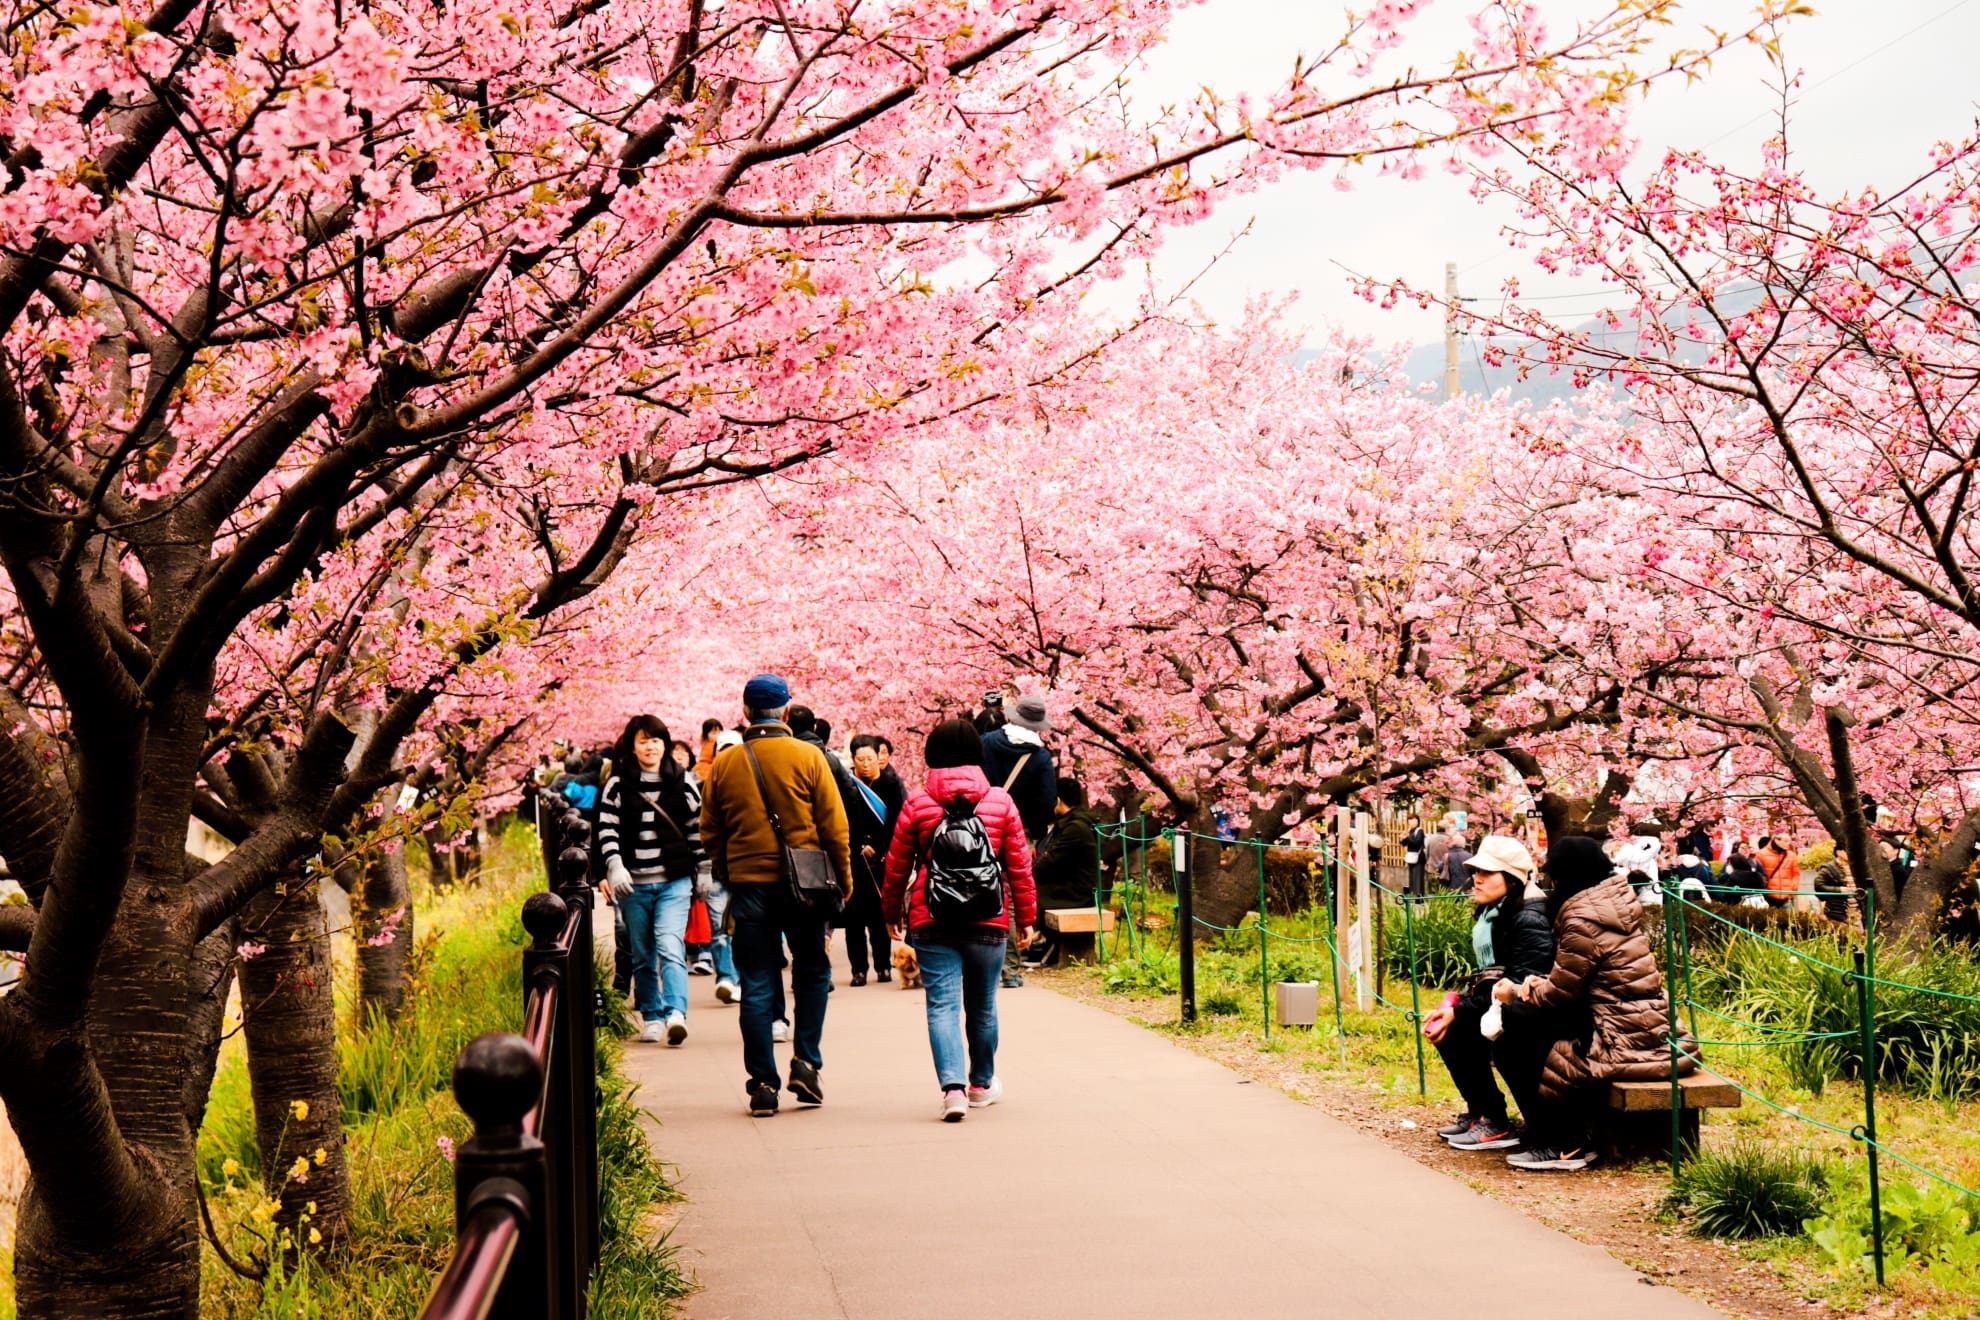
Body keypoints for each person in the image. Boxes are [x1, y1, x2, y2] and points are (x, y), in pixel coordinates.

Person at [1492, 835, 1693, 1172]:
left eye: (1551, 876)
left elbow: (1560, 996)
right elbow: (1579, 982)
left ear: (1564, 877)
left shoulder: (1583, 918)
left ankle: (1564, 1143)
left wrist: (1516, 993)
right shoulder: (1608, 905)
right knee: (1523, 1024)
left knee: (1514, 1034)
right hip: (1644, 1026)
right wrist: (1541, 984)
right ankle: (1554, 1134)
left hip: (1622, 1036)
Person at [700, 675, 853, 1116]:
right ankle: (805, 1062)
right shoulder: (808, 756)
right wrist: (843, 881)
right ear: (786, 712)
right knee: (811, 971)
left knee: (758, 983)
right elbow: (833, 827)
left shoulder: (726, 765)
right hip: (805, 888)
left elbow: (709, 830)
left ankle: (762, 1085)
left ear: (745, 712)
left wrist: (733, 869)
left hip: (750, 887)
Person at [882, 719, 1038, 1121]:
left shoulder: (917, 803)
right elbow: (1019, 866)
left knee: (942, 1005)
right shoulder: (1001, 802)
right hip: (989, 917)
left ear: (932, 754)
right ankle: (981, 1084)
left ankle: (952, 1089)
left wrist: (889, 914)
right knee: (983, 1005)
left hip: (932, 917)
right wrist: (1027, 918)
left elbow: (897, 867)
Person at [1420, 835, 1553, 1153]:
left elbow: (1519, 984)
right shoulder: (1497, 913)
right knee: (1451, 1028)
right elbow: (1493, 980)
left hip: (1531, 1011)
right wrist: (1459, 1005)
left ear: (1511, 878)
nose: (1476, 879)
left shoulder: (1528, 918)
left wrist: (1461, 1010)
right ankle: (1484, 1111)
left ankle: (1495, 1120)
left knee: (1463, 1029)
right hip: (1508, 1005)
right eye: (1476, 872)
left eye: (1487, 873)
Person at [599, 715, 704, 1045]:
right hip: (634, 884)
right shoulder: (617, 785)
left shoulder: (683, 781)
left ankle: (676, 1013)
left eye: (656, 740)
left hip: (674, 881)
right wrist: (614, 866)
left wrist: (705, 870)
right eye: (643, 741)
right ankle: (652, 1015)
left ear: (666, 744)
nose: (651, 746)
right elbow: (606, 829)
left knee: (671, 946)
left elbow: (697, 831)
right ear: (632, 746)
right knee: (642, 953)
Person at [980, 693, 1057, 988]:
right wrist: (1035, 833)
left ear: (1012, 717)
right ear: (1038, 726)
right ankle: (1009, 969)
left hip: (980, 826)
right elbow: (1047, 803)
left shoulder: (986, 742)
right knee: (1011, 894)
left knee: (979, 886)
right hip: (1017, 830)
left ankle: (978, 963)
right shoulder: (1039, 758)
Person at [1025, 778, 1102, 964]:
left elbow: (1051, 860)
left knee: (1028, 894)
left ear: (1059, 800)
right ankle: (1047, 944)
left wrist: (1024, 874)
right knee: (1031, 890)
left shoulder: (1075, 827)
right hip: (1071, 885)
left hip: (1076, 892)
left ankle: (1044, 944)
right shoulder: (1075, 822)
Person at [844, 736, 898, 985]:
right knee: (854, 917)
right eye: (860, 759)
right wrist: (857, 846)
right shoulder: (846, 783)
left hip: (881, 859)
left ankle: (883, 966)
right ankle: (858, 969)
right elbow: (840, 819)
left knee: (879, 916)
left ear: (880, 757)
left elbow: (897, 821)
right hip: (853, 858)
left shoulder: (891, 784)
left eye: (870, 759)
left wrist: (877, 846)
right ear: (853, 759)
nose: (866, 764)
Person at [1755, 834, 1800, 908]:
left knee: (1789, 918)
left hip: (1787, 895)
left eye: (1788, 841)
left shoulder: (1791, 855)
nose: (1787, 844)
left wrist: (1793, 887)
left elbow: (1796, 874)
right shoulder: (1761, 854)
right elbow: (1758, 875)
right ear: (1776, 840)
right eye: (1785, 841)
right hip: (1768, 896)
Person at [1404, 816, 1428, 897]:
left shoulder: (1419, 831)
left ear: (1418, 821)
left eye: (1414, 820)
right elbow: (1405, 844)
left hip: (1419, 857)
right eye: (1410, 820)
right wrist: (1402, 839)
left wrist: (1408, 837)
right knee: (1412, 877)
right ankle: (1413, 894)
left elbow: (1417, 842)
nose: (1412, 822)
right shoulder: (1409, 831)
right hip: (1411, 856)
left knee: (1418, 877)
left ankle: (1419, 897)